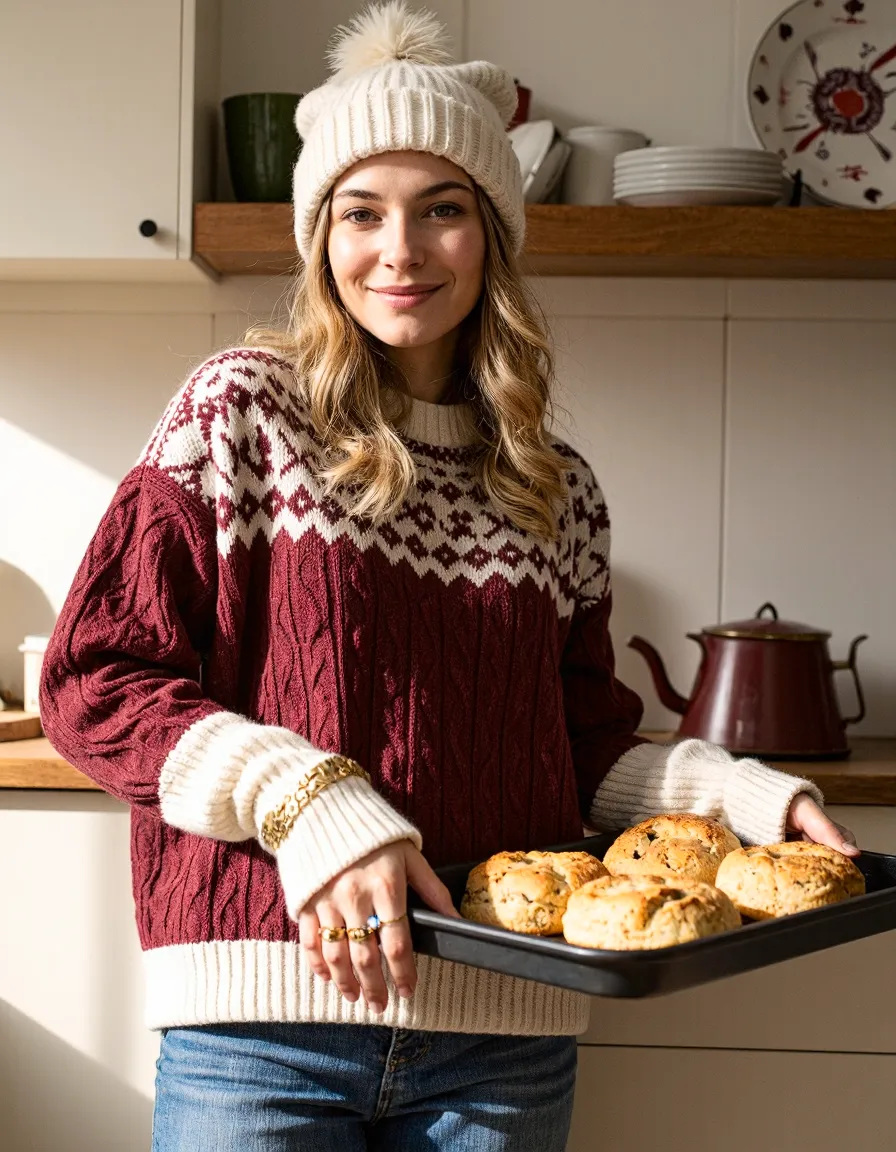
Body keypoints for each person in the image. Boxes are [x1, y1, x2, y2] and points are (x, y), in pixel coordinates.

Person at [39, 4, 859, 1149]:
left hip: (503, 1041)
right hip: (265, 1026)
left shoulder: (552, 486)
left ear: (494, 238)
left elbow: (577, 747)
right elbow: (95, 680)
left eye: (443, 211)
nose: (401, 251)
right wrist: (311, 798)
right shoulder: (240, 410)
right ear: (320, 236)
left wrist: (738, 800)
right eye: (361, 212)